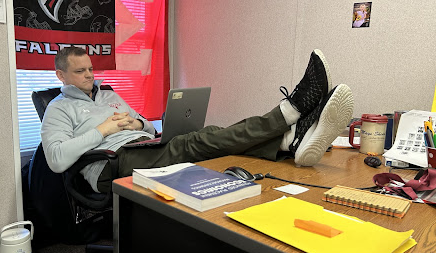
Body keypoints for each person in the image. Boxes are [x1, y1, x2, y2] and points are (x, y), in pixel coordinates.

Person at [41, 47, 354, 193]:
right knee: (197, 142)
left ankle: (289, 141)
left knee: (212, 135)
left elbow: (149, 127)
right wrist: (103, 129)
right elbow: (56, 160)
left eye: (91, 69)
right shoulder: (58, 107)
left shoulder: (107, 95)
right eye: (81, 71)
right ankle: (288, 115)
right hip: (113, 163)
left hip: (143, 147)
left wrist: (139, 125)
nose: (89, 76)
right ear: (60, 74)